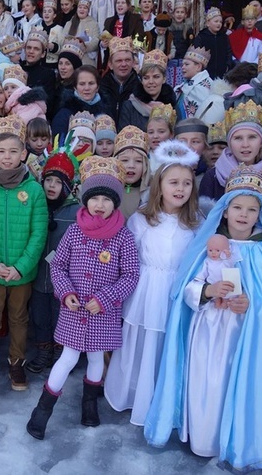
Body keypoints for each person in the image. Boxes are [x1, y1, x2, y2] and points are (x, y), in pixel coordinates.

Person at [144, 165, 262, 471]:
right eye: (237, 207)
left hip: (244, 337)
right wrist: (208, 290)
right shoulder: (209, 247)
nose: (244, 215)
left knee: (235, 384)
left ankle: (236, 441)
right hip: (207, 331)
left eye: (251, 209)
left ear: (261, 214)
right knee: (207, 383)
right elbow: (185, 289)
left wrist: (252, 303)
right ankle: (205, 440)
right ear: (225, 210)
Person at [26, 155, 141, 440]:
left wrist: (105, 298)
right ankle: (43, 410)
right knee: (66, 358)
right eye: (94, 199)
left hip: (104, 313)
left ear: (115, 202)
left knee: (95, 359)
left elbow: (130, 276)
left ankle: (89, 403)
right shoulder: (75, 231)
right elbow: (59, 265)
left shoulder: (123, 237)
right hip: (74, 312)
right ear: (85, 200)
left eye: (106, 199)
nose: (99, 205)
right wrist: (65, 293)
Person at [104, 140, 199, 425]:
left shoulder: (196, 223)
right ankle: (128, 394)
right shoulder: (143, 219)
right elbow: (127, 257)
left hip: (174, 292)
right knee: (137, 342)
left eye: (186, 183)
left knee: (164, 346)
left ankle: (156, 398)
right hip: (144, 290)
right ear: (160, 184)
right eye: (173, 182)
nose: (180, 189)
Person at [0, 115, 48, 395]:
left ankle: (17, 363)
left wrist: (20, 267)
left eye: (13, 151)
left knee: (18, 318)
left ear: (24, 153)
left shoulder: (33, 190)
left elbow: (38, 233)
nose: (7, 156)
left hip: (21, 272)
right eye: (1, 151)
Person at [199, 100, 262, 239]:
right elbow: (204, 222)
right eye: (238, 138)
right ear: (229, 142)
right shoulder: (213, 176)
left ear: (261, 141)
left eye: (252, 137)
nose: (245, 145)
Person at [26, 152, 79, 374]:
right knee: (40, 316)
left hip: (64, 280)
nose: (52, 186)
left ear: (67, 186)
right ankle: (43, 350)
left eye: (58, 182)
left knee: (61, 315)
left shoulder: (75, 211)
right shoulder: (37, 204)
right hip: (38, 275)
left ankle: (61, 351)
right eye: (48, 180)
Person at [119, 49, 175, 131]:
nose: (151, 82)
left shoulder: (172, 107)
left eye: (156, 77)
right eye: (146, 78)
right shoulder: (129, 106)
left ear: (164, 79)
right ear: (141, 80)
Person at [53, 65, 106, 142]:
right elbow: (58, 144)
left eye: (91, 83)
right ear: (75, 87)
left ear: (97, 87)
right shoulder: (65, 114)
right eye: (82, 84)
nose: (87, 88)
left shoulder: (105, 112)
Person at [114, 125, 150, 220]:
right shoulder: (106, 190)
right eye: (125, 160)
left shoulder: (152, 192)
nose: (131, 165)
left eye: (138, 161)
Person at [99, 37, 139, 122]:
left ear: (133, 62)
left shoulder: (141, 88)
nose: (124, 64)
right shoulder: (99, 89)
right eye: (119, 61)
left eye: (127, 60)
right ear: (110, 64)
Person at [192, 7, 233, 80]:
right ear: (208, 23)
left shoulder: (224, 37)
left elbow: (229, 53)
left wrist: (227, 66)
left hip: (222, 74)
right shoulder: (201, 37)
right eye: (216, 21)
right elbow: (196, 56)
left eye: (220, 22)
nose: (219, 24)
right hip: (205, 75)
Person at [64, 0, 100, 67]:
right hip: (71, 58)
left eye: (85, 8)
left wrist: (84, 46)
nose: (82, 9)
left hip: (86, 59)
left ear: (88, 11)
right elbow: (63, 38)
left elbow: (96, 40)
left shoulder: (93, 23)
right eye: (80, 7)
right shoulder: (69, 23)